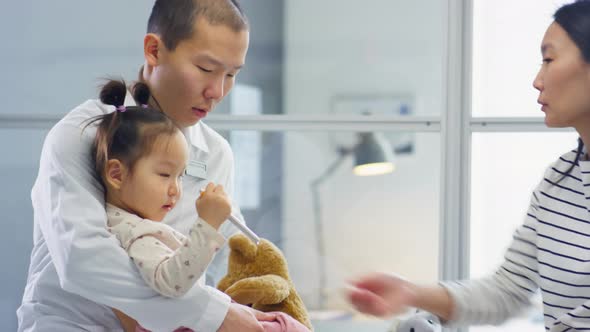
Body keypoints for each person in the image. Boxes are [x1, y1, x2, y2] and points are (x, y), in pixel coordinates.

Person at [17, 0, 273, 331]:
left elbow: (214, 262)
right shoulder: (84, 133)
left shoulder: (215, 153)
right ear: (154, 50)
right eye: (206, 70)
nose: (217, 91)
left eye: (232, 75)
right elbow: (81, 258)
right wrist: (214, 315)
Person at [346, 1, 590, 331]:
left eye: (549, 59)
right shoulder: (559, 179)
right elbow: (508, 292)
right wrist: (409, 292)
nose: (537, 80)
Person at [87, 80, 235, 332]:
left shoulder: (121, 221)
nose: (176, 189)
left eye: (179, 176)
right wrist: (207, 226)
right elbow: (172, 282)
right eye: (165, 175)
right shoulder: (136, 233)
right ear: (116, 174)